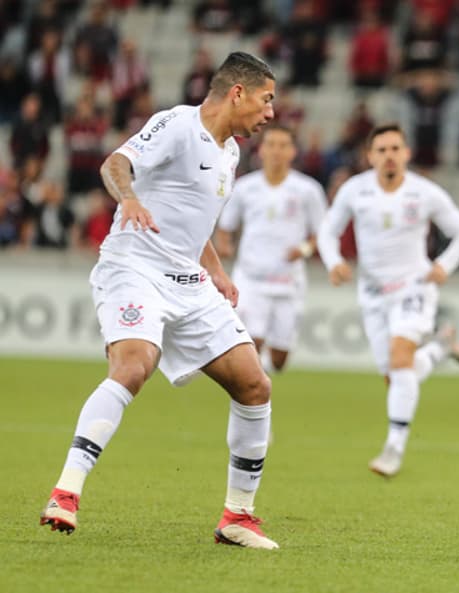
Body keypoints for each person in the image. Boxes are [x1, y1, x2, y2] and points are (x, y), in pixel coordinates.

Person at [39, 52, 281, 549]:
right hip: (133, 267)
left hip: (189, 281)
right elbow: (116, 163)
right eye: (266, 99)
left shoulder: (231, 152)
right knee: (133, 367)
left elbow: (194, 220)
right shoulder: (176, 124)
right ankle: (66, 492)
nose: (271, 113)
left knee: (255, 385)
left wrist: (215, 270)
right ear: (238, 93)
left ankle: (238, 516)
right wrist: (127, 197)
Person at [317, 124, 459, 478]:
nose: (389, 155)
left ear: (406, 153)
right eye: (382, 149)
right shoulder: (355, 190)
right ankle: (440, 347)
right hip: (373, 293)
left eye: (395, 148)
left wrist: (444, 265)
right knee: (397, 376)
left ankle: (394, 448)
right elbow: (327, 231)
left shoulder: (424, 193)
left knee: (400, 358)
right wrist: (334, 262)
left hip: (414, 288)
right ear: (370, 156)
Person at [215, 124, 327, 373]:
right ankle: (253, 392)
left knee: (279, 359)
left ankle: (261, 373)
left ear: (292, 152)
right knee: (250, 342)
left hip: (289, 281)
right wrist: (225, 245)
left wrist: (305, 250)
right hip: (251, 278)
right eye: (271, 145)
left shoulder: (308, 190)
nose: (277, 151)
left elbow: (323, 234)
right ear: (261, 150)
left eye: (283, 145)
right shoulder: (244, 187)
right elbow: (225, 227)